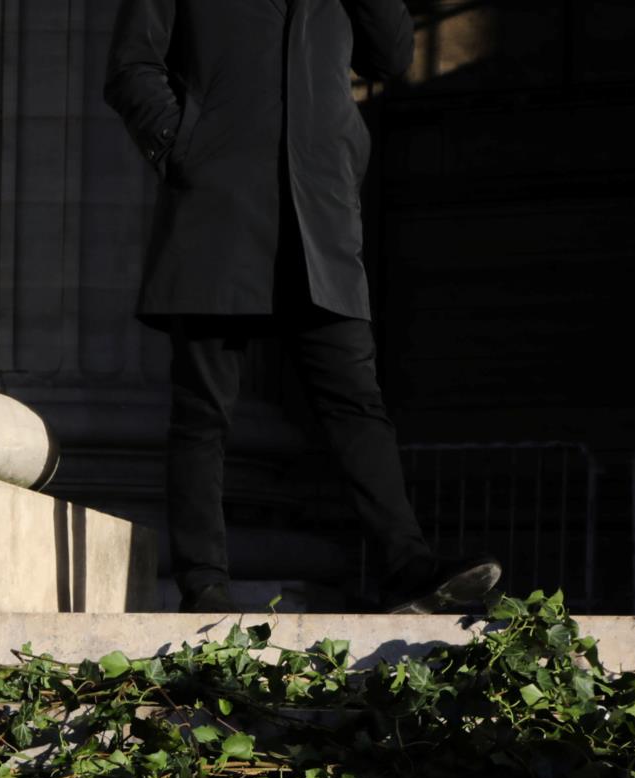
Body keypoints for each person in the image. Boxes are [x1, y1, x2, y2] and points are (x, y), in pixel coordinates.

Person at [105, 0, 501, 613]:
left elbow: (392, 56)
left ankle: (406, 566)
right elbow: (131, 66)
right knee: (203, 410)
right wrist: (184, 147)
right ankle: (203, 584)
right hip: (221, 206)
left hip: (317, 210)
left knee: (356, 399)